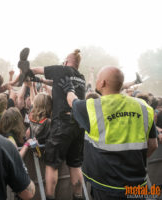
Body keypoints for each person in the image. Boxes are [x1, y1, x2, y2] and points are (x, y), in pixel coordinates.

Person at [59, 66, 158, 199]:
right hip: (139, 185)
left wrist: (69, 89)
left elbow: (73, 101)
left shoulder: (92, 107)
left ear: (103, 83)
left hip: (107, 188)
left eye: (98, 79)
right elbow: (153, 145)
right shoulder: (143, 107)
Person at [20, 49, 86, 200]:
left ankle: (49, 197)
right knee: (75, 165)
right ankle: (78, 196)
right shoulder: (81, 77)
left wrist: (26, 68)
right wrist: (42, 81)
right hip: (78, 125)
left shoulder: (61, 69)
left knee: (52, 164)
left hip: (62, 123)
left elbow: (35, 70)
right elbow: (56, 82)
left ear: (66, 62)